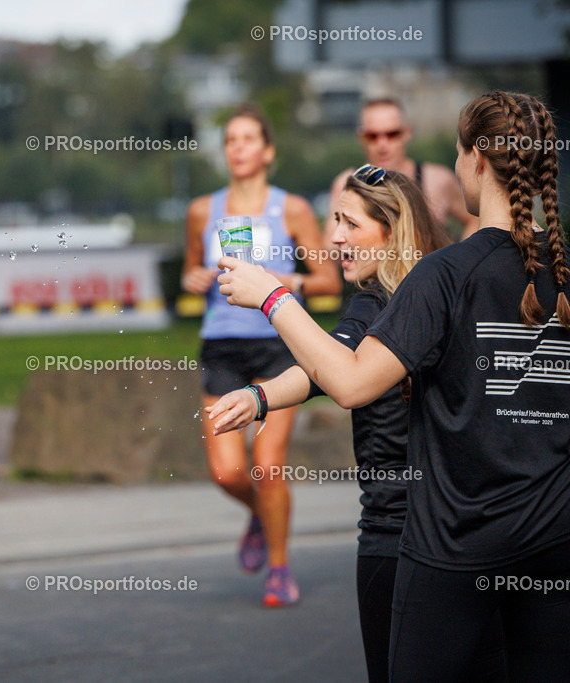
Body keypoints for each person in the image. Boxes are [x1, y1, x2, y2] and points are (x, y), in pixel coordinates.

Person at [217, 91, 570, 680]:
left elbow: (351, 381)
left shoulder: (446, 274)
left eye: (459, 154)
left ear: (477, 162)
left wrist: (272, 297)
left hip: (456, 547)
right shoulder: (560, 278)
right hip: (555, 542)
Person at [206, 166, 502, 682]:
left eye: (349, 223)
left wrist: (263, 374)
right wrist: (260, 396)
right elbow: (326, 367)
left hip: (397, 533)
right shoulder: (450, 287)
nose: (335, 236)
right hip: (471, 530)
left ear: (392, 229)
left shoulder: (382, 300)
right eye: (333, 221)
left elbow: (337, 372)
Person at [181, 104, 342, 606]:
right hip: (222, 347)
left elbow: (328, 282)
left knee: (268, 466)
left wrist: (284, 281)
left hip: (278, 345)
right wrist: (194, 280)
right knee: (228, 472)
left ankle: (279, 567)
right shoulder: (203, 211)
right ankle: (260, 513)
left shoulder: (290, 208)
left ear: (268, 150)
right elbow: (188, 276)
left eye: (249, 138)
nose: (238, 148)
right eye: (230, 139)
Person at [328, 98, 478, 240]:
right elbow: (328, 248)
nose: (382, 145)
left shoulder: (437, 180)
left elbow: (476, 218)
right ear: (361, 137)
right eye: (372, 136)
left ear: (406, 133)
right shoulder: (346, 183)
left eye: (391, 134)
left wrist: (459, 262)